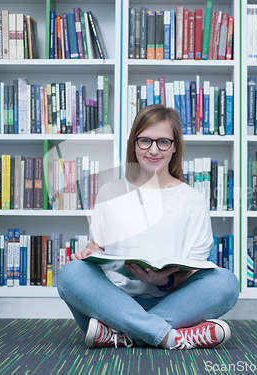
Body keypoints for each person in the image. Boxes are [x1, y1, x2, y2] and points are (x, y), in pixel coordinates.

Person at [57, 104, 239, 349]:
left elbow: (194, 271)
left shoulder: (193, 199)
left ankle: (125, 335)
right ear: (134, 143)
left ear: (174, 147)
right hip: (111, 303)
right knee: (70, 273)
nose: (153, 150)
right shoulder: (110, 192)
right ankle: (171, 337)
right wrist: (88, 252)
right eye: (145, 141)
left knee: (226, 282)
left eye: (163, 142)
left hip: (173, 302)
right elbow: (96, 244)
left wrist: (162, 281)